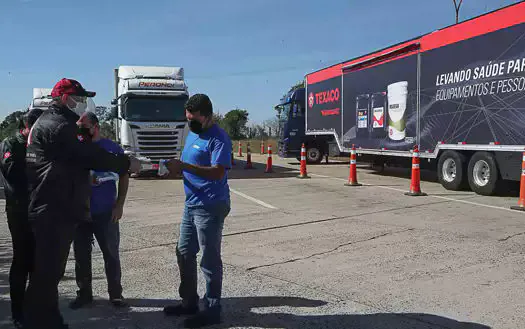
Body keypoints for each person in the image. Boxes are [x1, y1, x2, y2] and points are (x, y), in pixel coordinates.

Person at [24, 78, 140, 329]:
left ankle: (49, 319)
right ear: (66, 99)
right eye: (80, 98)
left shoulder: (51, 123)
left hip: (53, 207)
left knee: (49, 273)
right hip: (53, 210)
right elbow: (88, 155)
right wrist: (124, 163)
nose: (83, 104)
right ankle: (39, 322)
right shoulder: (58, 125)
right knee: (46, 274)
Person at [162, 94, 232, 328]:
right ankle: (189, 301)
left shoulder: (219, 138)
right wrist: (176, 169)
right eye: (188, 118)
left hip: (210, 205)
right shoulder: (194, 135)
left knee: (209, 259)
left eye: (194, 119)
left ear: (208, 116)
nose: (190, 123)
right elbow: (190, 166)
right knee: (183, 252)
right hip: (191, 204)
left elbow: (217, 172)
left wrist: (184, 167)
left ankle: (213, 310)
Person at [69, 111, 129, 309]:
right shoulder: (76, 149)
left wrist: (119, 204)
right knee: (81, 255)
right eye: (79, 127)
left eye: (84, 127)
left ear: (96, 127)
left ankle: (116, 294)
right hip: (81, 213)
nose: (81, 131)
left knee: (111, 253)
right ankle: (84, 294)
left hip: (106, 212)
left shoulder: (112, 149)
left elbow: (124, 175)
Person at [0, 108, 43, 329]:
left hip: (39, 210)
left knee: (38, 261)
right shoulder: (12, 144)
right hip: (19, 211)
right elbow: (11, 172)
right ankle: (18, 313)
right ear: (25, 128)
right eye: (35, 129)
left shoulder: (36, 145)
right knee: (22, 261)